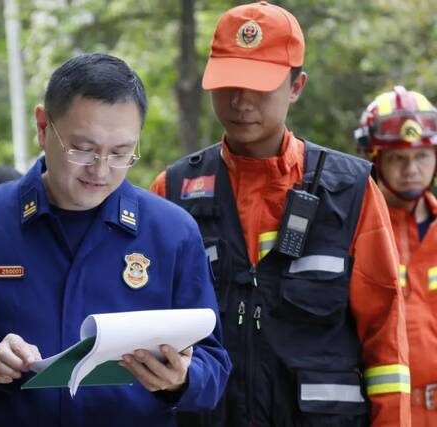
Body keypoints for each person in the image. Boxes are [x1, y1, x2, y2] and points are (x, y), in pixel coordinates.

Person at [0, 53, 232, 427]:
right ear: (43, 128)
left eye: (121, 153)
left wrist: (184, 378)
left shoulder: (172, 232)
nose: (101, 170)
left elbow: (214, 367)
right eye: (83, 150)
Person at [150, 2, 410, 426]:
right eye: (228, 83)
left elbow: (386, 344)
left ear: (296, 86)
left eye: (258, 85)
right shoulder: (172, 190)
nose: (240, 100)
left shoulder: (352, 191)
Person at [354, 85, 437, 426]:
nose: (412, 169)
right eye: (397, 158)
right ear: (374, 160)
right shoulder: (355, 230)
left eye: (421, 156)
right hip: (380, 413)